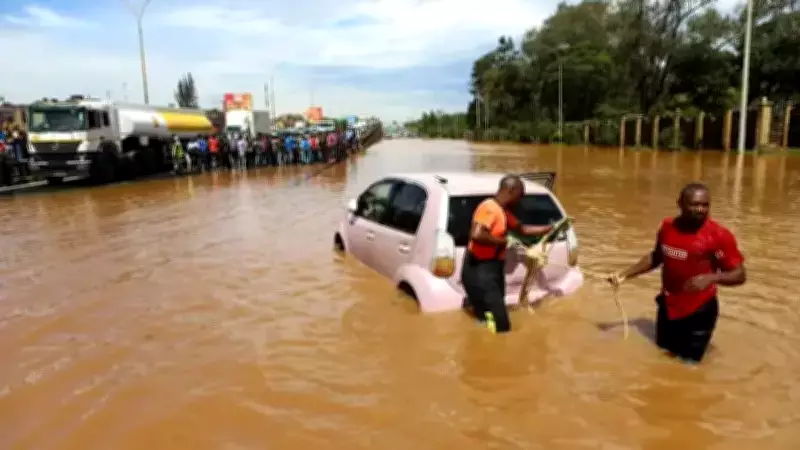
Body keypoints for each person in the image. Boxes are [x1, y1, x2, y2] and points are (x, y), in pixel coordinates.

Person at [607, 183, 746, 363]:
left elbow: (740, 274)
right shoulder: (667, 227)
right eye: (694, 204)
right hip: (668, 306)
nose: (700, 210)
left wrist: (712, 278)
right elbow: (656, 257)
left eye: (705, 205)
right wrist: (624, 274)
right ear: (680, 204)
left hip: (699, 310)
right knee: (662, 355)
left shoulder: (718, 235)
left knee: (689, 366)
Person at [462, 175, 553, 334]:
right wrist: (505, 241)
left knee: (489, 315)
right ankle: (495, 350)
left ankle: (484, 340)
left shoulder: (503, 212)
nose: (521, 199)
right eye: (520, 194)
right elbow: (476, 234)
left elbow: (523, 229)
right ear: (511, 190)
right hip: (479, 269)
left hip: (493, 267)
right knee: (502, 324)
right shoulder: (489, 207)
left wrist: (551, 229)